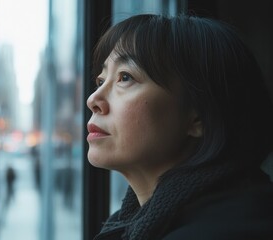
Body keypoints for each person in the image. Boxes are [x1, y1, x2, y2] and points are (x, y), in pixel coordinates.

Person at [86, 14, 273, 240]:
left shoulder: (232, 229)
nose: (93, 99)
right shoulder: (131, 223)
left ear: (200, 117)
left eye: (125, 77)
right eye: (100, 81)